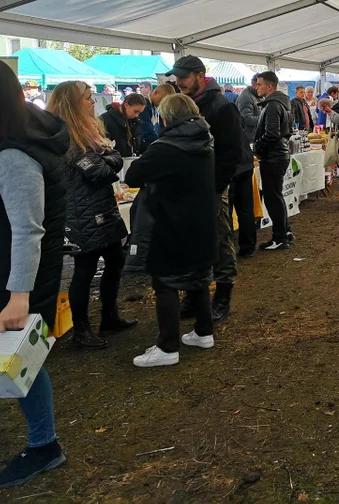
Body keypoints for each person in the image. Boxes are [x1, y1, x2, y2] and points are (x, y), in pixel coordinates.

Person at [0, 62, 69, 489]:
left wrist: (18, 295)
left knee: (22, 357)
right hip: (15, 273)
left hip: (15, 279)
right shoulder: (27, 135)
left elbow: (28, 228)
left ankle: (45, 445)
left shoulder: (13, 153)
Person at [125, 94, 218, 368]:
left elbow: (132, 177)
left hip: (171, 222)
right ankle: (204, 331)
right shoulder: (207, 142)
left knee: (165, 282)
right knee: (198, 277)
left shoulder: (164, 147)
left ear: (165, 118)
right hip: (201, 221)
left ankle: (167, 346)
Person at [47, 81, 136, 349]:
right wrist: (111, 157)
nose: (92, 102)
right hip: (80, 213)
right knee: (84, 269)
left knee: (115, 259)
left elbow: (110, 159)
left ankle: (109, 316)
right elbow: (101, 171)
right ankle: (81, 330)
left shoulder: (86, 131)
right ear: (72, 103)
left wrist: (110, 157)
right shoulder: (68, 137)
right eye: (86, 98)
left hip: (100, 208)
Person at [167, 56, 244, 321]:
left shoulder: (221, 106)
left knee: (220, 241)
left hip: (211, 187)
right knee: (191, 244)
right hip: (187, 188)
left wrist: (215, 186)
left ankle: (222, 297)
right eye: (176, 78)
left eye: (183, 77)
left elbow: (233, 152)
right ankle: (193, 295)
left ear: (200, 75)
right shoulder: (186, 106)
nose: (178, 83)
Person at [253, 72, 293, 250]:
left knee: (272, 198)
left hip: (273, 157)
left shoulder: (272, 105)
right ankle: (284, 231)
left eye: (259, 84)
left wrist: (256, 147)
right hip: (278, 155)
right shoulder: (280, 104)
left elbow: (272, 133)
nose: (256, 87)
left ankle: (279, 238)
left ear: (269, 87)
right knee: (276, 196)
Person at [233, 75, 260, 258]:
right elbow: (247, 119)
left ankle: (242, 246)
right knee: (245, 208)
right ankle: (248, 246)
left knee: (237, 209)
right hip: (245, 160)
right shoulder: (245, 98)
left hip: (236, 165)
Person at [99, 92, 146, 158]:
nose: (137, 115)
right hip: (114, 162)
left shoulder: (134, 122)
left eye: (139, 113)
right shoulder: (105, 120)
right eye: (136, 111)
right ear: (126, 105)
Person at [138, 82, 175, 153]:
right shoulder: (145, 106)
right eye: (164, 100)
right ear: (156, 93)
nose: (164, 103)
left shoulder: (155, 107)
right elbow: (146, 129)